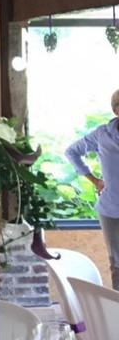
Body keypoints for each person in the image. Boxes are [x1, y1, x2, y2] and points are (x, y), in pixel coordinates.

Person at [66, 89, 119, 287]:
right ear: (116, 110)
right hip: (111, 209)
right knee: (117, 264)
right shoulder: (102, 134)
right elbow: (71, 152)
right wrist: (94, 180)